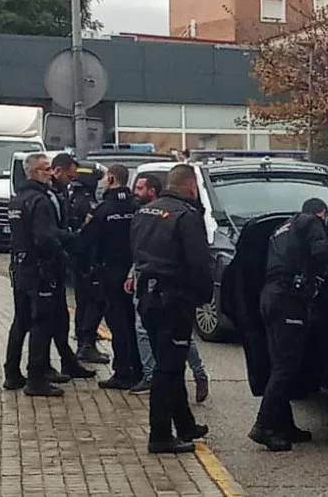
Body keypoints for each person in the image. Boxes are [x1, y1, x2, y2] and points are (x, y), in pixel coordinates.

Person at [250, 198, 328, 452]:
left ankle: (285, 426)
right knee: (286, 368)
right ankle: (263, 426)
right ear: (323, 214)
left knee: (280, 366)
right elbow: (322, 252)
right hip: (288, 300)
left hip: (270, 296)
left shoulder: (283, 228)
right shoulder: (312, 221)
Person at [131, 164, 214, 454]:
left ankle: (185, 425)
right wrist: (203, 296)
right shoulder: (186, 217)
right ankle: (160, 435)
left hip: (148, 298)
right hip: (173, 300)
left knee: (170, 363)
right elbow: (199, 263)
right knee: (168, 370)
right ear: (191, 186)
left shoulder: (145, 211)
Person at [3, 153, 93, 396]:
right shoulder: (40, 201)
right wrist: (66, 252)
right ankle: (36, 378)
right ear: (34, 173)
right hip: (40, 269)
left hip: (20, 267)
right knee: (41, 323)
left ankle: (12, 372)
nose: (49, 173)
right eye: (44, 169)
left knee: (21, 321)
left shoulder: (17, 200)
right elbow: (45, 237)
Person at [84, 164, 142, 390]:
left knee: (118, 324)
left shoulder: (103, 210)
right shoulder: (136, 207)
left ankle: (122, 372)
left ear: (110, 178)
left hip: (110, 272)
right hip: (134, 272)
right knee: (134, 323)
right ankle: (138, 369)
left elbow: (87, 241)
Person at [54, 155, 109, 365]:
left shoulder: (72, 197)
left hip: (79, 260)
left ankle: (85, 342)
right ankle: (87, 344)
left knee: (84, 301)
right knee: (93, 302)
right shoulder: (86, 202)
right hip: (87, 261)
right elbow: (89, 233)